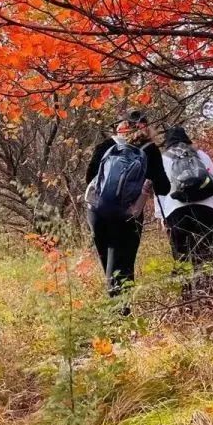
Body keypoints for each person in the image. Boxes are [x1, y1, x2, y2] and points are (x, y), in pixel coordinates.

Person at [85, 110, 170, 300]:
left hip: (97, 211)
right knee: (123, 262)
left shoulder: (106, 145)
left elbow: (89, 178)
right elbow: (164, 188)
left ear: (122, 126)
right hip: (128, 213)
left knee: (108, 260)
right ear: (146, 127)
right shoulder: (149, 149)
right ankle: (122, 311)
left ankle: (114, 305)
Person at [155, 127, 213, 303]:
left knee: (182, 256)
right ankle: (209, 298)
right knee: (210, 254)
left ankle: (186, 301)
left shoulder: (163, 159)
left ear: (167, 143)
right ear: (187, 140)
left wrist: (162, 218)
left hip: (176, 211)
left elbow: (160, 192)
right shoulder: (201, 155)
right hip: (205, 209)